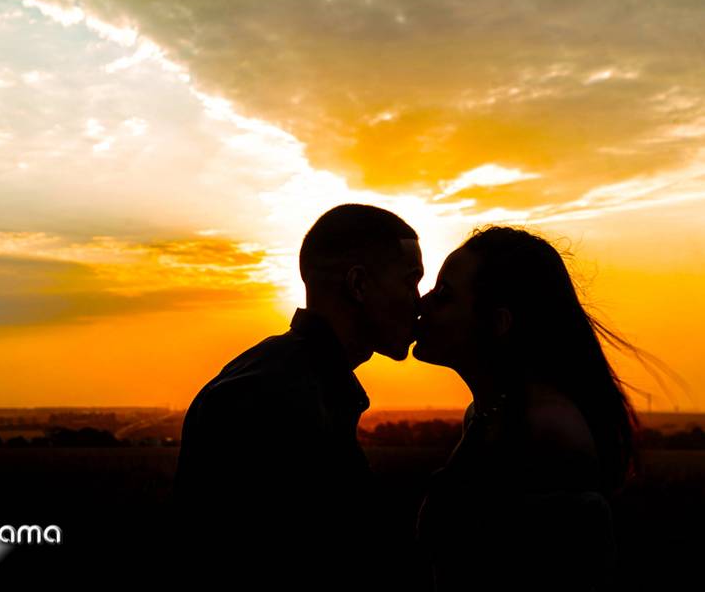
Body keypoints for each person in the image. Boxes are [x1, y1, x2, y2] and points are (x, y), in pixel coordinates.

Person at [172, 203, 423, 578]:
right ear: (359, 285)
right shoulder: (265, 398)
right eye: (410, 281)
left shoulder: (292, 380)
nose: (419, 302)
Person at [412, 226, 640, 592]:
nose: (421, 304)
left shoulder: (547, 432)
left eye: (444, 295)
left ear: (498, 323)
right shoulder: (489, 413)